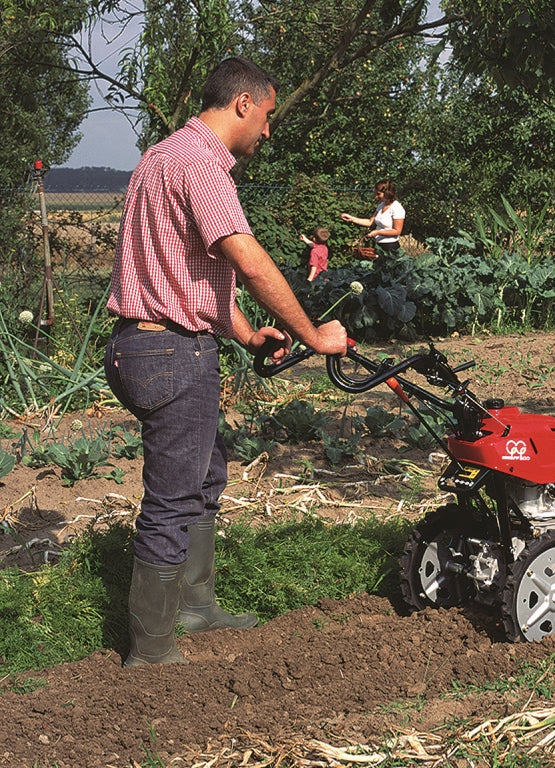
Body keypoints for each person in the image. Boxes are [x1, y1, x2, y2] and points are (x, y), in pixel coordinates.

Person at [104, 56, 348, 667]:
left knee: (206, 471)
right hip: (171, 352)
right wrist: (314, 334)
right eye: (267, 116)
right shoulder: (205, 166)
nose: (268, 131)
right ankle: (154, 651)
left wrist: (243, 332)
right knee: (172, 497)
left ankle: (193, 604)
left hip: (138, 344)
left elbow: (183, 269)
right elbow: (247, 259)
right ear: (243, 104)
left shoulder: (161, 158)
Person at [341, 179, 405, 254]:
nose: (376, 196)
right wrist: (351, 218)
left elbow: (397, 231)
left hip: (390, 247)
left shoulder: (397, 208)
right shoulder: (382, 205)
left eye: (378, 194)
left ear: (387, 193)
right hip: (378, 245)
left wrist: (378, 232)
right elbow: (370, 222)